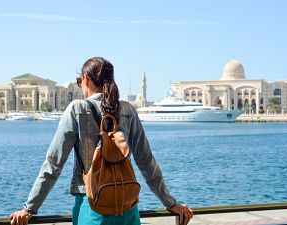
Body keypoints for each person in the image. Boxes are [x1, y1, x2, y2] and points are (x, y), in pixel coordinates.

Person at [10, 57, 193, 225]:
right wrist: (171, 203)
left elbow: (53, 165)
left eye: (79, 81)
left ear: (85, 79)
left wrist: (29, 208)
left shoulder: (77, 109)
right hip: (127, 207)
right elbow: (147, 162)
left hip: (92, 206)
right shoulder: (128, 110)